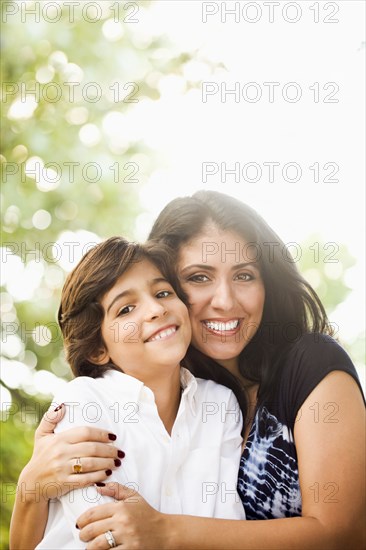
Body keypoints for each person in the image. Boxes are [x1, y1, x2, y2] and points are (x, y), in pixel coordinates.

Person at [10, 191, 365, 549]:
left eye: (244, 275)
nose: (225, 301)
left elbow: (345, 533)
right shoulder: (116, 393)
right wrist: (30, 491)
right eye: (199, 277)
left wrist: (167, 532)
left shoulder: (299, 370)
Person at [11, 235, 245, 550]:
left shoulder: (221, 403)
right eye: (125, 309)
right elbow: (104, 535)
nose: (156, 309)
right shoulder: (85, 401)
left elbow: (229, 528)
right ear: (96, 349)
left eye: (163, 292)